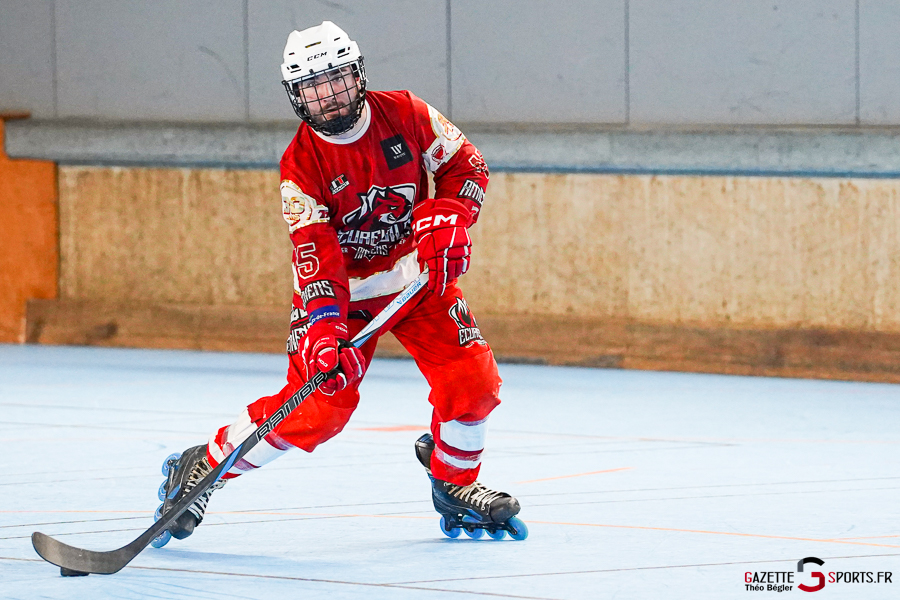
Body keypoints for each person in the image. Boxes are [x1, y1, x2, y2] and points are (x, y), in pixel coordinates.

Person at [154, 20, 524, 545]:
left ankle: (455, 485)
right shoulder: (300, 165)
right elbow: (316, 253)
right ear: (295, 96)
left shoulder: (407, 113)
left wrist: (451, 216)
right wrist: (325, 328)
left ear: (358, 74)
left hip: (416, 282)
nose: (327, 95)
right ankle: (203, 464)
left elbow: (467, 165)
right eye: (312, 87)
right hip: (343, 299)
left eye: (336, 79)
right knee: (321, 409)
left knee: (473, 380)